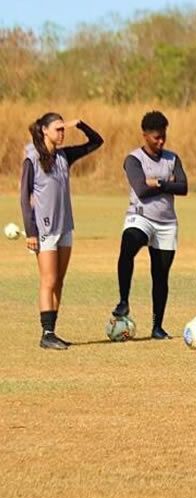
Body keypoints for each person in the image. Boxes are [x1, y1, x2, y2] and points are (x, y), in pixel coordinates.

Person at [19, 113, 104, 349]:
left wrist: (80, 125)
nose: (62, 132)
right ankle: (46, 333)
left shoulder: (64, 156)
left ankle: (52, 332)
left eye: (63, 129)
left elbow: (96, 142)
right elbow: (24, 198)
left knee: (59, 281)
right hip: (44, 228)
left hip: (65, 226)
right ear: (44, 130)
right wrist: (31, 232)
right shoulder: (32, 158)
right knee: (48, 279)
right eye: (57, 129)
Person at [111, 111, 188, 339]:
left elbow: (183, 187)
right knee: (128, 245)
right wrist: (167, 183)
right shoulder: (134, 159)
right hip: (141, 217)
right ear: (144, 135)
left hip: (167, 223)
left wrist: (158, 181)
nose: (161, 141)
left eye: (163, 136)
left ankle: (157, 327)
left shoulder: (172, 158)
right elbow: (141, 190)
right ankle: (124, 300)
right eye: (156, 137)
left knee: (160, 275)